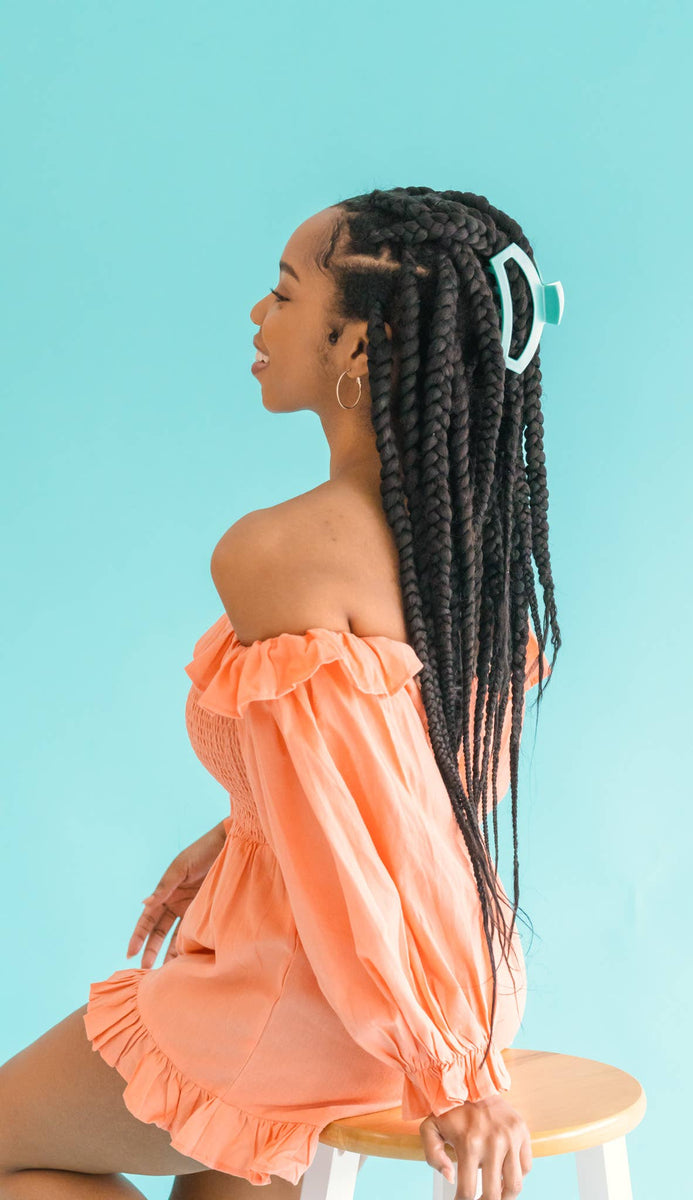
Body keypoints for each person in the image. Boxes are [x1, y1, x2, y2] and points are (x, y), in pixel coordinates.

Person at [0, 187, 561, 1200]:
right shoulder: (467, 561)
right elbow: (411, 792)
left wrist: (451, 1073)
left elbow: (372, 843)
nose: (258, 317)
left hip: (317, 1002)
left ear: (358, 345)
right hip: (425, 993)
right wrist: (245, 826)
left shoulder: (279, 554)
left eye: (285, 293)